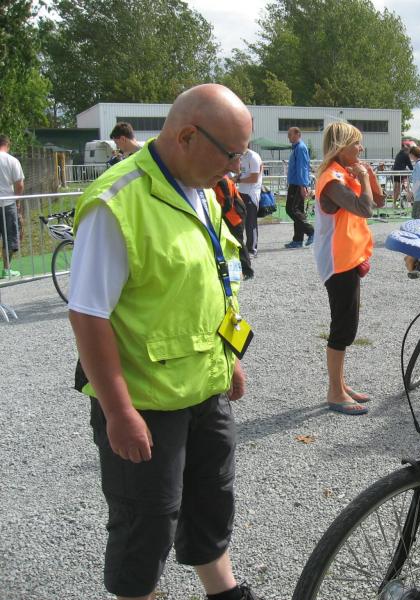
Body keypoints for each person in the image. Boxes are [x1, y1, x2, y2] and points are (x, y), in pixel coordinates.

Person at [68, 84, 262, 600]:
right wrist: (118, 412)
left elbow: (214, 280)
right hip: (146, 400)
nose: (236, 167)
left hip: (205, 387)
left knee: (211, 501)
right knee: (147, 523)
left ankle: (223, 591)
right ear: (187, 136)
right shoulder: (117, 202)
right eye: (230, 154)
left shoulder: (202, 188)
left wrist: (229, 358)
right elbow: (88, 314)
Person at [313, 121, 384, 415]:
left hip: (349, 257)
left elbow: (378, 201)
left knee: (347, 323)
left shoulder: (345, 174)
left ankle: (340, 384)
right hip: (337, 260)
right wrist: (363, 178)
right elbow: (364, 208)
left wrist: (369, 176)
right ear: (341, 147)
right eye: (356, 143)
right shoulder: (331, 179)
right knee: (343, 326)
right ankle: (334, 391)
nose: (361, 148)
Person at [214, 174, 254, 279]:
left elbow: (228, 203)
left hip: (235, 214)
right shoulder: (217, 179)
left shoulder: (223, 181)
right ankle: (233, 272)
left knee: (237, 242)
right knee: (229, 243)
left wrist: (218, 215)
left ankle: (247, 271)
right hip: (228, 214)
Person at [285, 126, 314, 248]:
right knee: (298, 211)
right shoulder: (297, 148)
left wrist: (303, 185)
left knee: (291, 209)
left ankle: (311, 231)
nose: (288, 137)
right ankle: (298, 240)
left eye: (290, 134)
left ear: (297, 134)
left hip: (297, 184)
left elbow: (302, 167)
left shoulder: (300, 148)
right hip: (296, 183)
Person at [0, 134, 24, 278]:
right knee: (9, 237)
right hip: (8, 204)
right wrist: (17, 200)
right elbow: (19, 184)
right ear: (7, 145)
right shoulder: (12, 160)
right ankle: (6, 269)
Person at [236, 143, 262, 258]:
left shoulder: (253, 157)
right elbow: (243, 173)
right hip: (241, 192)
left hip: (251, 194)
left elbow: (254, 178)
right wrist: (237, 177)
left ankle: (252, 249)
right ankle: (244, 248)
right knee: (241, 222)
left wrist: (238, 180)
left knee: (251, 223)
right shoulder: (242, 156)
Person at [391, 141, 413, 209]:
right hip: (399, 173)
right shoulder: (405, 155)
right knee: (398, 189)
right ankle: (394, 204)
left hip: (395, 172)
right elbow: (410, 166)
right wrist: (414, 171)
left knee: (396, 189)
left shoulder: (399, 153)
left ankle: (394, 203)